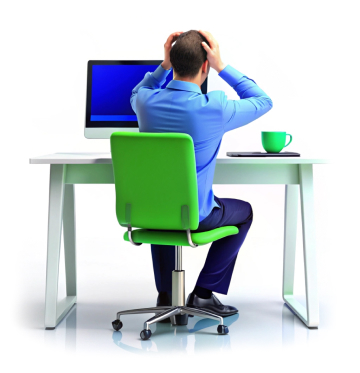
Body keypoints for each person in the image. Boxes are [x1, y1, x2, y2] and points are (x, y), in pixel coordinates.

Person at [130, 30, 273, 319]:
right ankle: (204, 294)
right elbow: (262, 100)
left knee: (164, 208)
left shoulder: (145, 102)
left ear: (172, 60)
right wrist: (222, 66)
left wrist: (163, 66)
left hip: (151, 212)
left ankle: (167, 295)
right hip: (196, 216)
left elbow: (136, 92)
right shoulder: (215, 107)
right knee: (244, 212)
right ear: (205, 65)